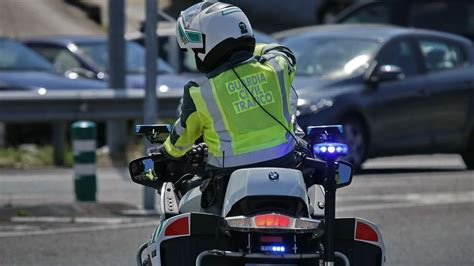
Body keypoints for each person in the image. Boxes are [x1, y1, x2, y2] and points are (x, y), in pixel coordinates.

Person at [162, 0, 301, 212]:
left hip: (227, 182)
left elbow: (180, 141)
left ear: (211, 41)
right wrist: (244, 47)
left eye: (196, 48)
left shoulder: (200, 93)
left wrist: (166, 153)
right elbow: (281, 50)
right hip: (285, 167)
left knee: (188, 210)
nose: (195, 53)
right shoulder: (276, 68)